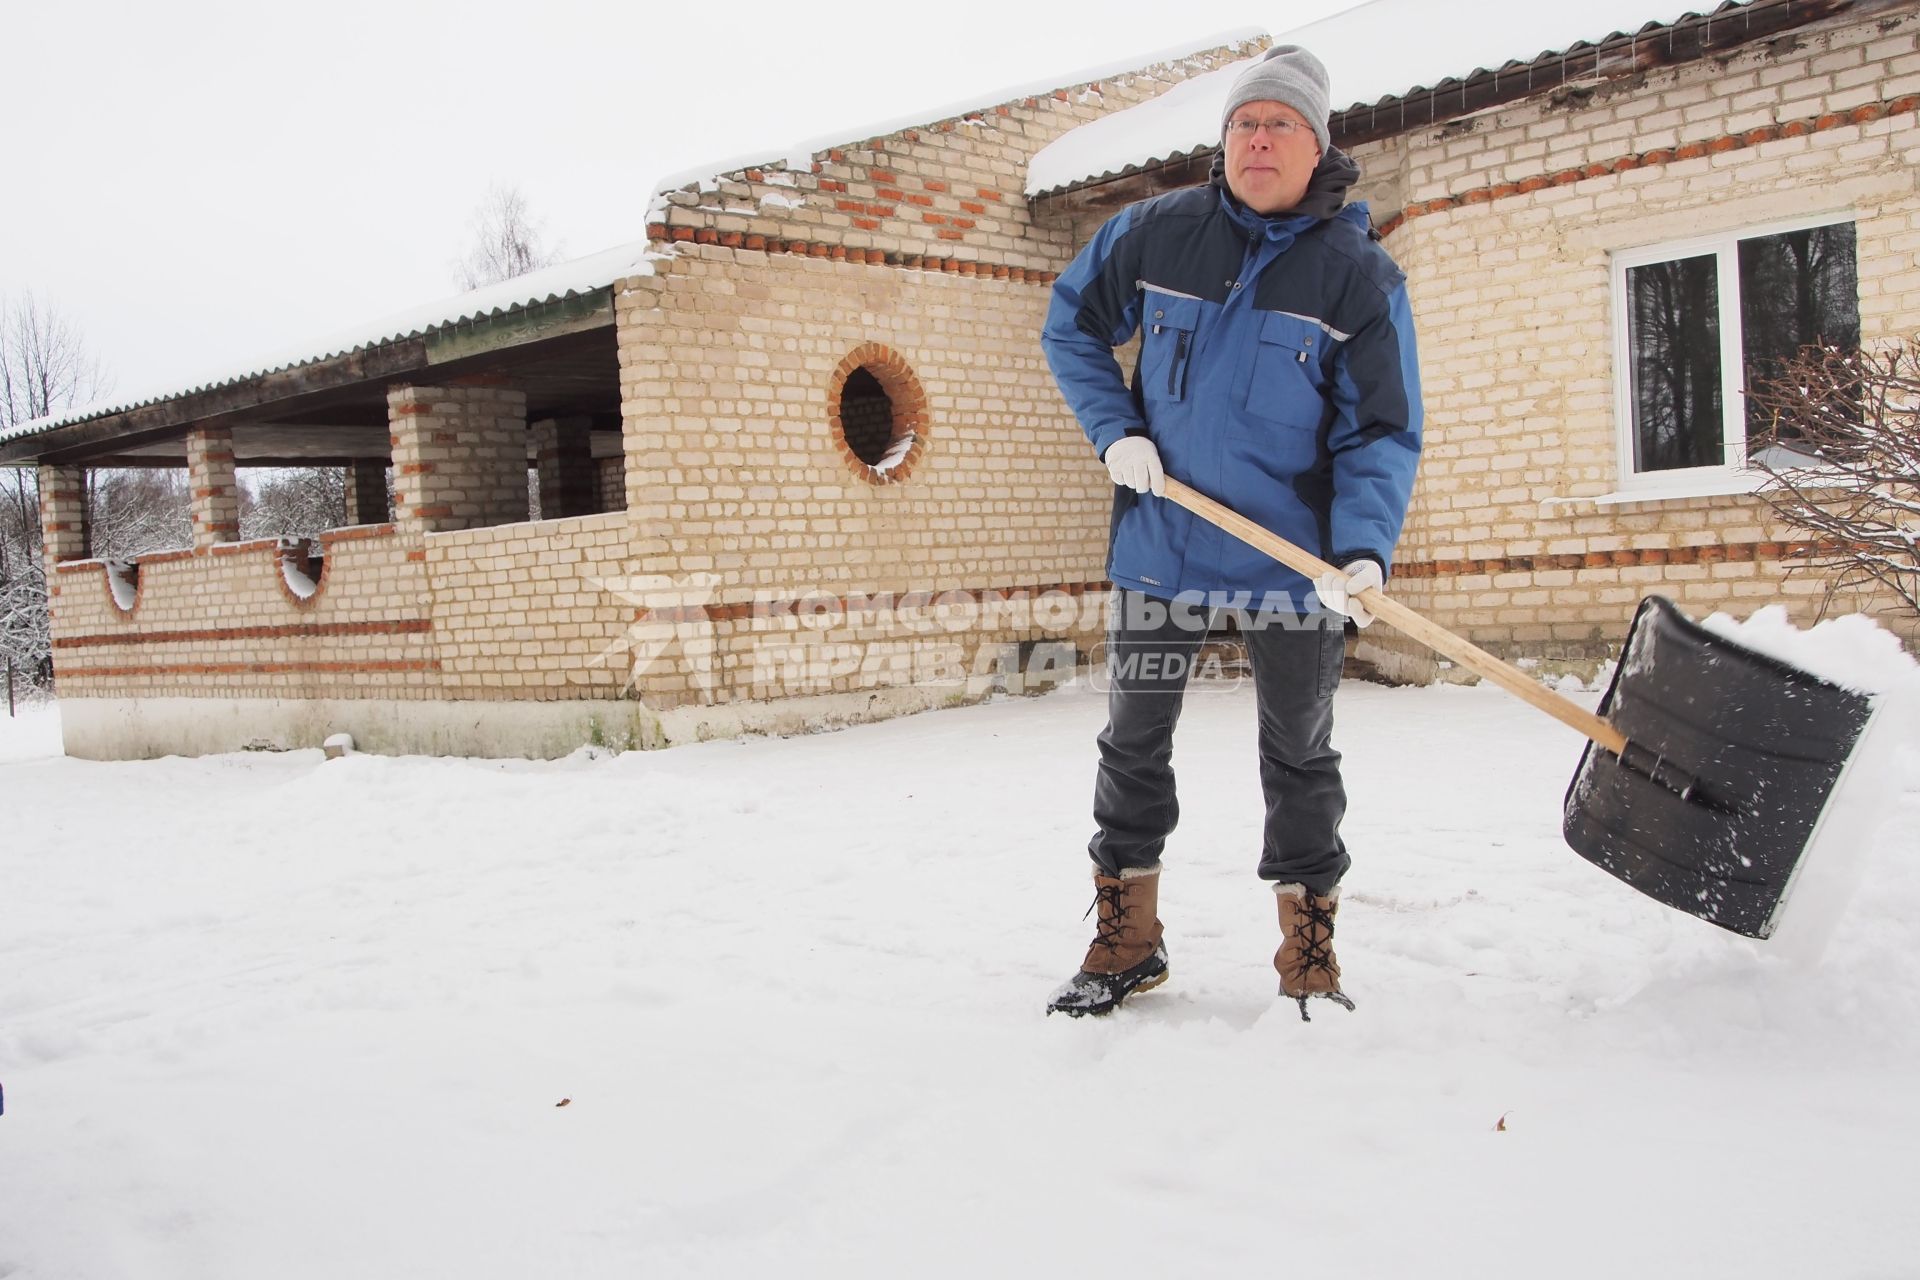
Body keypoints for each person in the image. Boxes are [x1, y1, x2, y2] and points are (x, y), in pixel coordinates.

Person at [1039, 44, 1423, 1020]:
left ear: (1317, 143)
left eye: (1279, 123)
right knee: (1133, 740)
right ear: (1224, 141)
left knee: (1300, 751)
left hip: (1293, 564)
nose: (1258, 138)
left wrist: (1364, 546)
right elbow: (1071, 321)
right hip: (1163, 542)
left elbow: (1380, 428)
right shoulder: (1160, 232)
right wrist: (1114, 430)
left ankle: (1308, 953)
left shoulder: (1358, 276)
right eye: (1244, 122)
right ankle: (1129, 936)